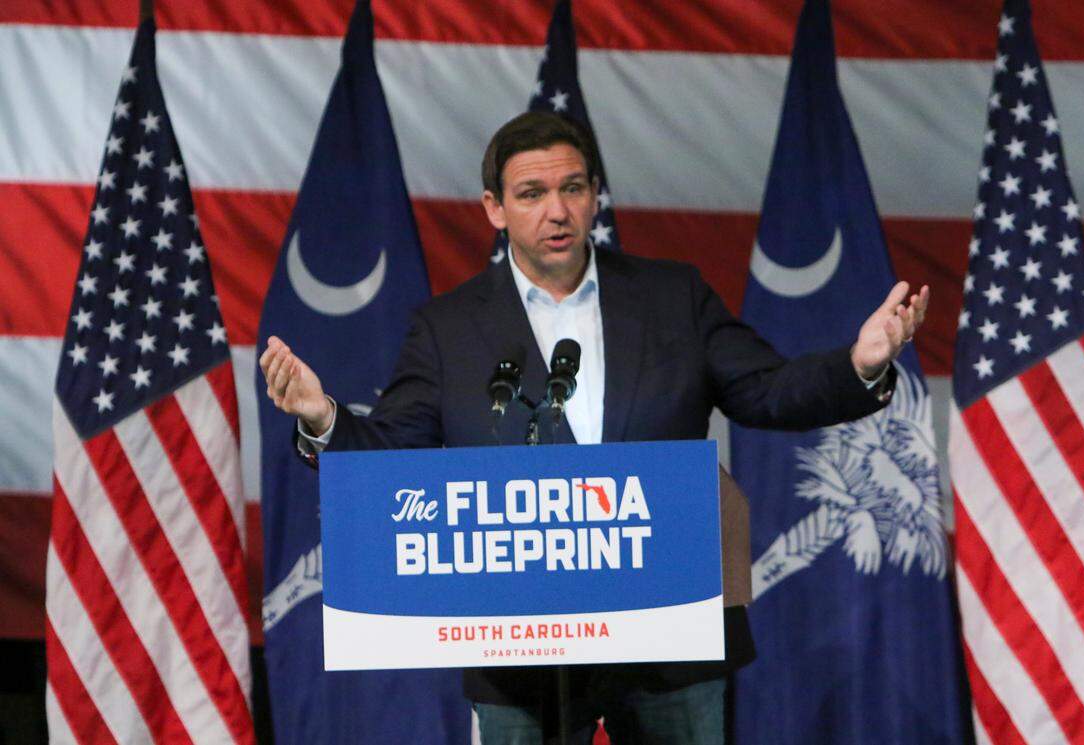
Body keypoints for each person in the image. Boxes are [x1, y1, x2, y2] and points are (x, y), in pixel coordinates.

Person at [260, 111, 928, 745]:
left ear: (595, 195)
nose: (557, 210)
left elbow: (766, 392)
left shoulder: (672, 296)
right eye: (532, 193)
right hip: (517, 641)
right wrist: (323, 418)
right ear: (493, 207)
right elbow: (391, 454)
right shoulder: (448, 328)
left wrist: (858, 364)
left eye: (572, 188)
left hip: (668, 622)